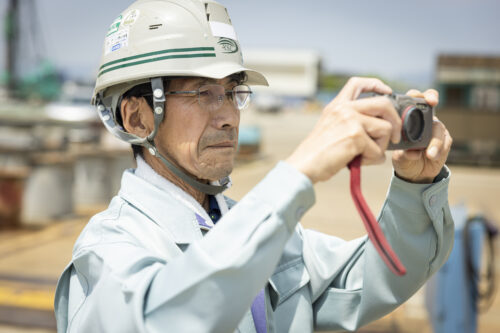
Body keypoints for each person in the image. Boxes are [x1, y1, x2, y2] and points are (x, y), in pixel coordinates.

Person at [54, 0, 454, 332]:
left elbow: (375, 278)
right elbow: (167, 317)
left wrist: (414, 188)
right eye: (203, 93)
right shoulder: (110, 250)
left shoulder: (253, 227)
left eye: (232, 92)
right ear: (137, 118)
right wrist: (299, 173)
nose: (228, 114)